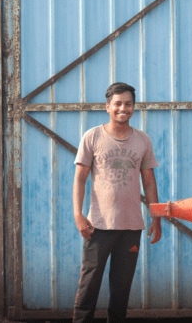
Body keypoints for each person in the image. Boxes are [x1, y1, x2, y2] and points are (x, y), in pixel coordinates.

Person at [72, 82, 162, 322]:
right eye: (118, 104)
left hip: (131, 227)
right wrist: (79, 215)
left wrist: (156, 217)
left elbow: (149, 182)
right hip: (98, 226)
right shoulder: (93, 137)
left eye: (128, 104)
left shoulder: (142, 140)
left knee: (121, 289)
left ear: (134, 107)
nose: (124, 108)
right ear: (108, 107)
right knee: (89, 284)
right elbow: (79, 179)